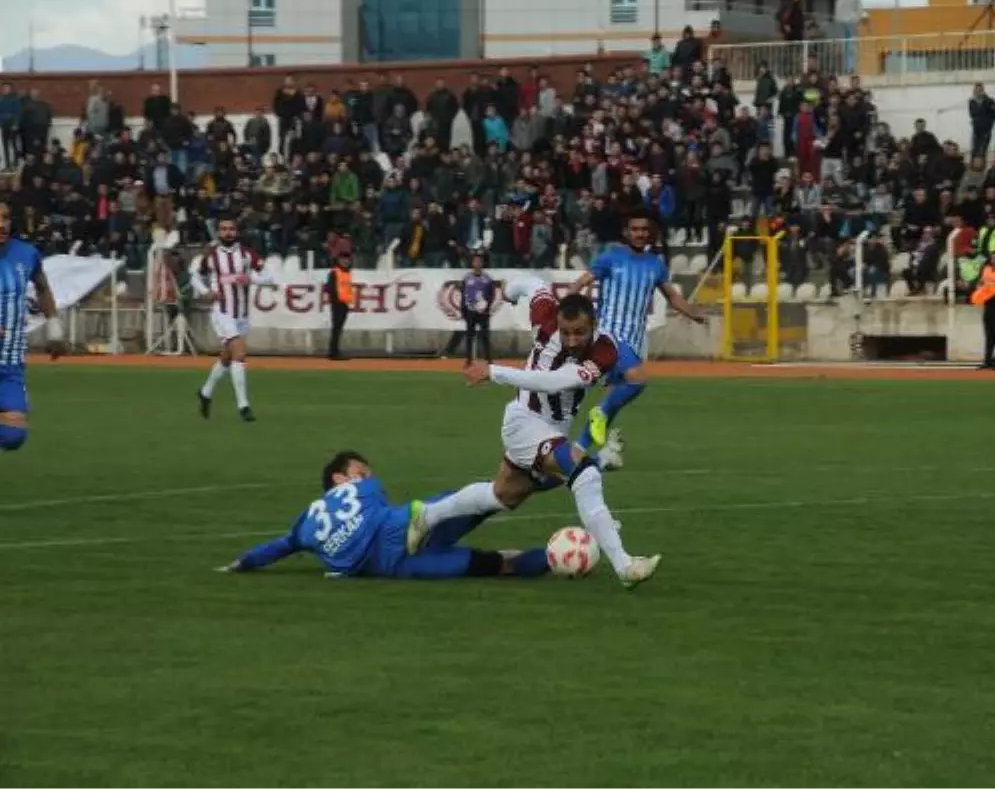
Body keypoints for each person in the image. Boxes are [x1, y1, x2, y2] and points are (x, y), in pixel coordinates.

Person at [406, 280, 658, 589]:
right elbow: (534, 285)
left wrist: (606, 411)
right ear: (558, 324)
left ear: (594, 325)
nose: (572, 339)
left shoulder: (605, 350)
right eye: (566, 332)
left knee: (503, 494)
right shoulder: (546, 316)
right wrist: (512, 291)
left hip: (553, 429)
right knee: (583, 472)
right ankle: (625, 565)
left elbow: (555, 382)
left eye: (580, 332)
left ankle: (427, 515)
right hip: (524, 422)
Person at [214, 451, 549, 581]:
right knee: (493, 520)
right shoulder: (360, 489)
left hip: (390, 560)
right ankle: (553, 551)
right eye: (360, 470)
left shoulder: (305, 523)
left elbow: (278, 546)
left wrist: (242, 562)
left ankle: (428, 517)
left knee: (491, 559)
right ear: (338, 478)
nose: (368, 476)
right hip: (395, 533)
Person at [568, 211, 707, 450]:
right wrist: (570, 309)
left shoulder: (656, 264)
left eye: (644, 230)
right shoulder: (611, 258)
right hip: (609, 335)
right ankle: (596, 414)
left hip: (633, 340)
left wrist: (695, 313)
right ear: (626, 232)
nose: (640, 234)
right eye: (635, 229)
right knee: (638, 380)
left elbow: (672, 296)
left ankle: (579, 449)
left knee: (614, 399)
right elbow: (580, 283)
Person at [191, 218, 275, 422]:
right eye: (224, 229)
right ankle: (243, 405)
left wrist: (252, 279)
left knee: (227, 357)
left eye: (231, 229)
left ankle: (205, 392)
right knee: (240, 352)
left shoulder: (247, 255)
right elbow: (195, 277)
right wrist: (206, 291)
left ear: (237, 232)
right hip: (222, 312)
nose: (228, 232)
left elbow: (269, 277)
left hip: (242, 314)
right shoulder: (211, 257)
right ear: (219, 233)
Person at [0, 202, 67, 452]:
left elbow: (41, 286)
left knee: (13, 436)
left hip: (9, 363)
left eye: (5, 217)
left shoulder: (25, 254)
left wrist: (55, 329)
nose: (1, 224)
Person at [324, 245, 353, 361]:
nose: (345, 261)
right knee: (336, 328)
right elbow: (329, 288)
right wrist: (335, 299)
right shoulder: (335, 272)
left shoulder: (346, 273)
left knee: (338, 328)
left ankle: (334, 350)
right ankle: (333, 351)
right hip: (337, 303)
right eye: (343, 259)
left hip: (344, 303)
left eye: (347, 259)